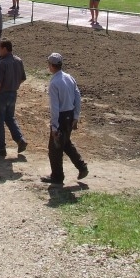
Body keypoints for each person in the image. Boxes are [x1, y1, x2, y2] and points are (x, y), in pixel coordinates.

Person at [41, 53, 88, 185]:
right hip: (70, 115)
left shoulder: (54, 83)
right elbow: (78, 97)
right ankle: (82, 167)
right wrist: (76, 116)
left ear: (51, 65)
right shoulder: (69, 78)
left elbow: (54, 107)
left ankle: (57, 176)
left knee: (55, 149)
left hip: (61, 118)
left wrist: (54, 126)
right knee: (65, 143)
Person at [0, 39, 28, 156]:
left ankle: (0, 148)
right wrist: (14, 86)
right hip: (13, 94)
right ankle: (20, 140)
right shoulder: (18, 60)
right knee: (10, 118)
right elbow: (22, 78)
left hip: (1, 95)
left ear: (5, 49)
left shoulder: (2, 63)